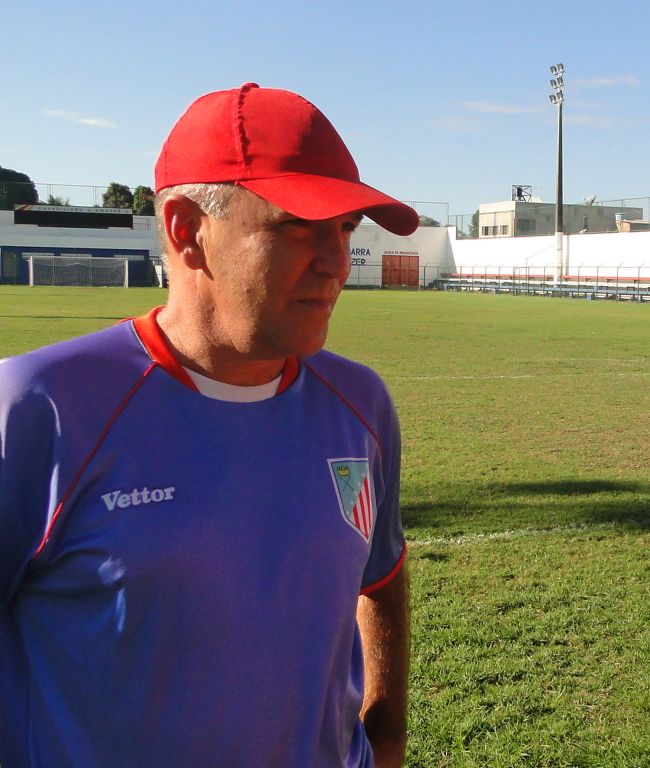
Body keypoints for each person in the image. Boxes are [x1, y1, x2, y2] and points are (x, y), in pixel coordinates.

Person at [0, 83, 419, 767]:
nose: (337, 261)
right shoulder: (38, 406)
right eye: (297, 226)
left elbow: (382, 575)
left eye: (344, 229)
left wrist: (388, 738)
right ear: (187, 231)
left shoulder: (359, 404)